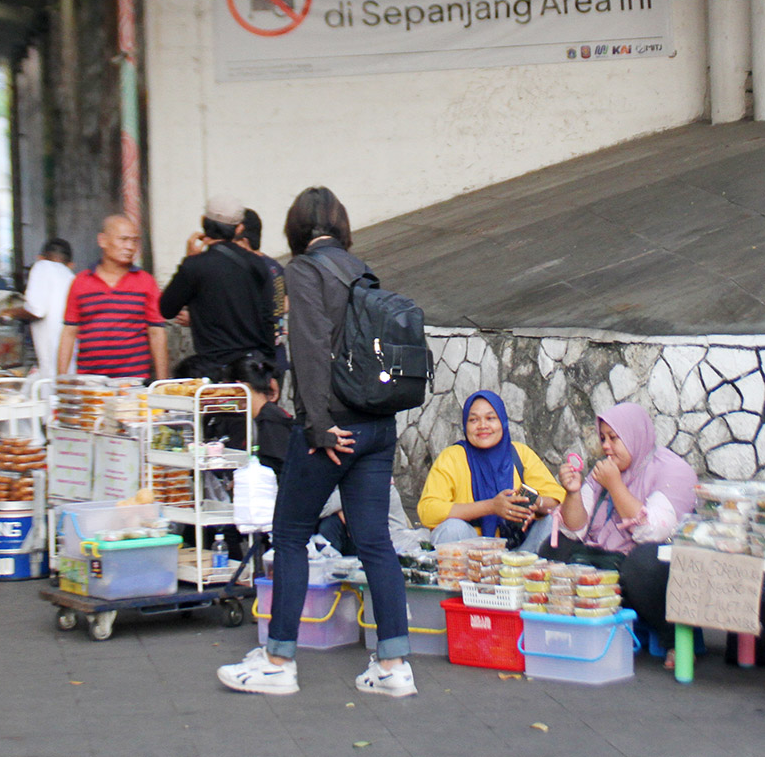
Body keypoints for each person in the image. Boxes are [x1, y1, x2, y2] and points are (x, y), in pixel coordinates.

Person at [218, 186, 415, 698]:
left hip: (331, 429)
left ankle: (278, 659)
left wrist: (318, 426)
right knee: (376, 541)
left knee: (288, 534)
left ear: (295, 227)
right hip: (377, 425)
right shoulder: (360, 269)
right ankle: (394, 668)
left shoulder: (303, 271)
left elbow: (307, 349)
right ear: (340, 224)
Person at [551, 402, 697, 669]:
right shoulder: (604, 470)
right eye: (603, 438)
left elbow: (654, 530)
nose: (606, 446)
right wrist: (572, 492)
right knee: (553, 550)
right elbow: (574, 529)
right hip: (604, 561)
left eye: (614, 438)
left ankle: (673, 638)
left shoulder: (672, 471)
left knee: (643, 563)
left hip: (645, 570)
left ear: (634, 435)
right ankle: (561, 631)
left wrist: (616, 486)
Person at [417, 391, 565, 553]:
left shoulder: (520, 454)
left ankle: (528, 575)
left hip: (520, 552)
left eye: (490, 418)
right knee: (452, 528)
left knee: (553, 521)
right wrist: (491, 507)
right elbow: (428, 511)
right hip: (471, 554)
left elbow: (559, 500)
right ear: (465, 426)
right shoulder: (452, 457)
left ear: (502, 421)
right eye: (473, 420)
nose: (482, 426)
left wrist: (536, 505)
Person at [158, 196, 274, 381]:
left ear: (203, 223)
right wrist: (270, 372)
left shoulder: (194, 267)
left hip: (213, 375)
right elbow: (269, 318)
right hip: (252, 372)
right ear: (239, 228)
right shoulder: (257, 264)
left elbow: (166, 308)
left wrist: (188, 260)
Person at [57, 215, 168, 380]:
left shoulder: (146, 282)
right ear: (102, 240)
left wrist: (162, 382)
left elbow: (156, 333)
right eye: (123, 240)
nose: (130, 247)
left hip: (134, 382)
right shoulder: (80, 282)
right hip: (91, 382)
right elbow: (69, 333)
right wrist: (61, 381)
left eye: (134, 241)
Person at [0, 238, 76, 382]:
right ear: (71, 265)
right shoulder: (72, 277)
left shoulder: (43, 266)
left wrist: (9, 312)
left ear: (39, 258)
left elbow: (36, 311)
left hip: (54, 360)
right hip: (70, 362)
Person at [234, 208, 288, 378]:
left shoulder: (246, 270)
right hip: (276, 357)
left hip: (254, 364)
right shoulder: (274, 267)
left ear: (243, 241)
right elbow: (283, 304)